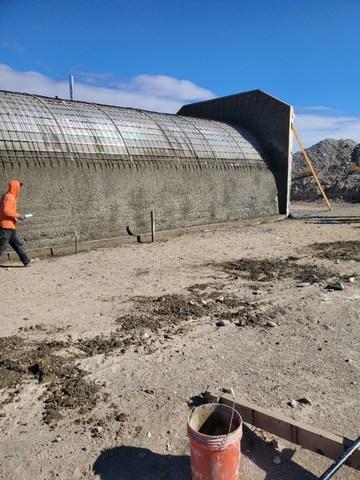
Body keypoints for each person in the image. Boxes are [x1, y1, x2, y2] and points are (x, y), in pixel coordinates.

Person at [0, 180, 31, 266]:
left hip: (10, 226)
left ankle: (26, 260)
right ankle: (26, 260)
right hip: (6, 226)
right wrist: (18, 216)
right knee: (1, 246)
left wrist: (15, 218)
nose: (19, 189)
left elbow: (5, 211)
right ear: (14, 187)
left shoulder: (7, 196)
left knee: (18, 244)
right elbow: (6, 211)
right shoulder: (10, 197)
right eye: (18, 187)